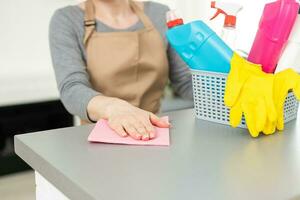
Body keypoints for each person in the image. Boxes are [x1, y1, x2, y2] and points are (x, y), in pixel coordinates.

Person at [49, 0, 193, 141]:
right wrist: (113, 108)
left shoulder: (159, 13)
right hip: (100, 140)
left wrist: (214, 89)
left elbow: (184, 81)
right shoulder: (67, 19)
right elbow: (71, 88)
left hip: (153, 134)